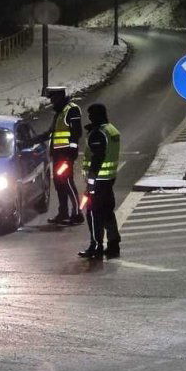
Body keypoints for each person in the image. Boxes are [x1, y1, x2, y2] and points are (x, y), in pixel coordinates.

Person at [33, 87, 84, 225]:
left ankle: (77, 214)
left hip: (66, 155)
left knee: (67, 182)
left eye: (53, 99)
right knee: (59, 184)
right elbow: (51, 133)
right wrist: (33, 140)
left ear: (60, 97)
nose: (52, 102)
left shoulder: (71, 110)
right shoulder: (60, 113)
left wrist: (72, 150)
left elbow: (76, 132)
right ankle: (63, 213)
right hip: (57, 155)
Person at [78, 103, 121, 259]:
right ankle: (113, 244)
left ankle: (96, 246)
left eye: (91, 115)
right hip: (109, 179)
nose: (89, 118)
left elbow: (97, 158)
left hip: (98, 180)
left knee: (93, 214)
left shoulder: (98, 134)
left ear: (97, 115)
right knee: (107, 212)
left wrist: (90, 184)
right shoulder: (111, 130)